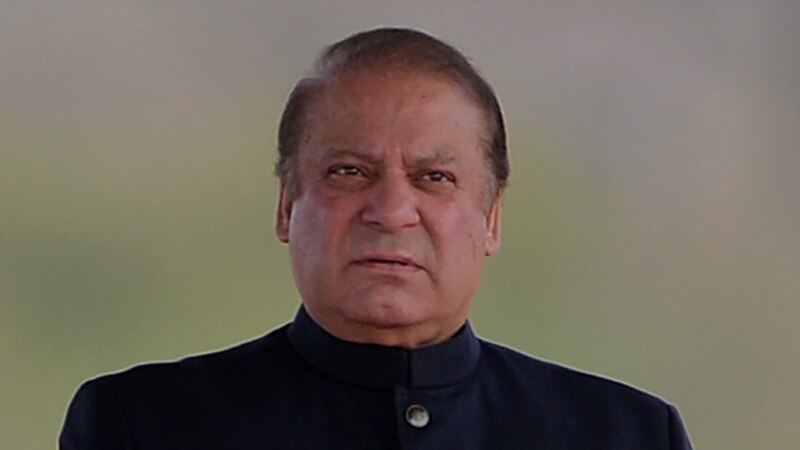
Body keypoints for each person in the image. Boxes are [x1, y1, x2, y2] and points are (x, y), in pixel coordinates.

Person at [60, 27, 693, 449]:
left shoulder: (626, 435)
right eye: (349, 173)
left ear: (492, 219)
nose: (391, 211)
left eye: (434, 178)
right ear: (286, 205)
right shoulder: (145, 424)